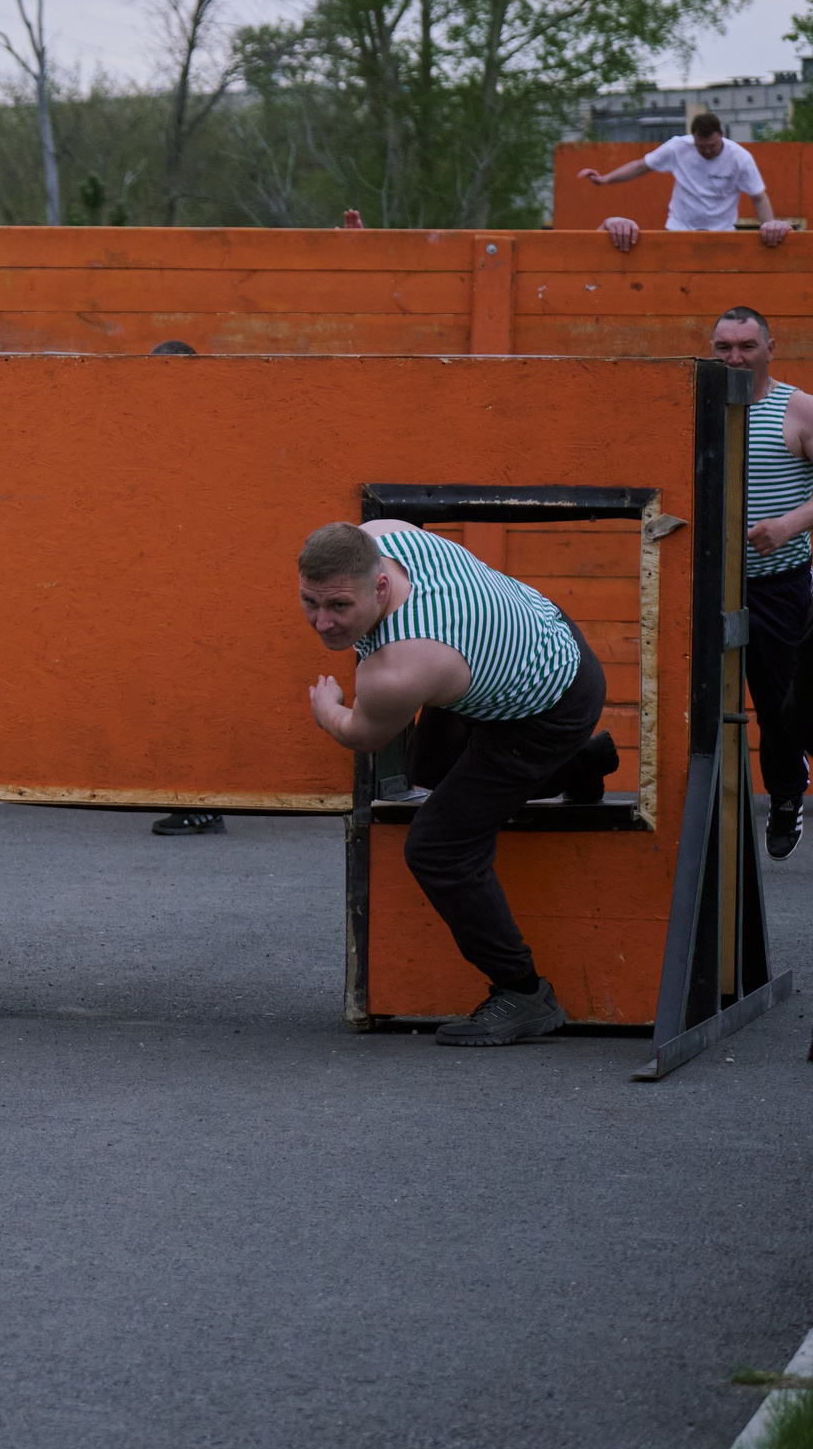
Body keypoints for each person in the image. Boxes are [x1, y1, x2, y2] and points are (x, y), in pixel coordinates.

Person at [297, 520, 606, 1045]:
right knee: (428, 771)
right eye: (310, 602)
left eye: (339, 607)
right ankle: (581, 764)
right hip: (539, 634)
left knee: (438, 848)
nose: (322, 623)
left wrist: (328, 711)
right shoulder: (386, 534)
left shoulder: (399, 670)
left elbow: (363, 734)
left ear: (380, 586)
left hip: (547, 709)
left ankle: (524, 993)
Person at [710, 308, 813, 857]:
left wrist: (789, 524)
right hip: (710, 582)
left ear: (772, 348)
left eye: (746, 346)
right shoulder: (699, 407)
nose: (734, 358)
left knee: (779, 704)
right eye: (723, 346)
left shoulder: (797, 410)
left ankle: (787, 796)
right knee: (699, 701)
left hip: (780, 583)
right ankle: (699, 813)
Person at [148, 340, 226, 837]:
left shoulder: (201, 433)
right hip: (176, 578)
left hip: (202, 584)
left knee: (199, 683)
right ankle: (198, 799)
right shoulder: (173, 433)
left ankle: (205, 805)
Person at [581, 112, 791, 253]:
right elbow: (640, 166)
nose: (707, 151)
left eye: (712, 146)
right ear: (693, 138)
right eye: (702, 147)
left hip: (720, 233)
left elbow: (758, 196)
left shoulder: (739, 157)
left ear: (722, 136)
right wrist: (605, 179)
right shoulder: (678, 148)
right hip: (679, 229)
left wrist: (768, 229)